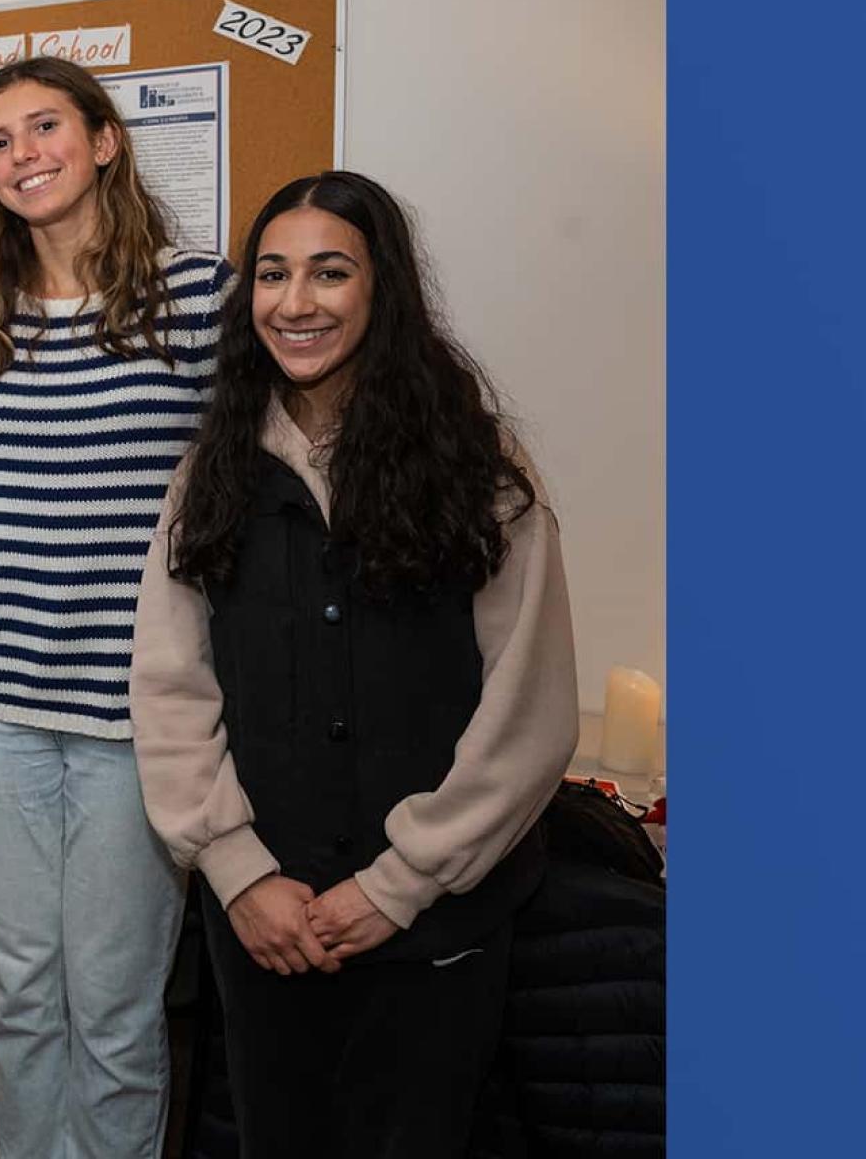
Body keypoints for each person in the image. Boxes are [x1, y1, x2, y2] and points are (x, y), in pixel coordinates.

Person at [130, 171, 579, 1157]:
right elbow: (169, 694)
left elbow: (528, 717)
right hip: (264, 920)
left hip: (434, 926)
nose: (295, 302)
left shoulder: (480, 473)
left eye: (329, 272)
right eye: (273, 275)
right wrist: (237, 873)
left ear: (381, 291)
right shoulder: (207, 476)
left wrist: (394, 885)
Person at [0, 55, 231, 1155]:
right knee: (16, 995)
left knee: (110, 1008)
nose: (21, 155)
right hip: (1, 702)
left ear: (102, 141)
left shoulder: (198, 295)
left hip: (134, 716)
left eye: (43, 127)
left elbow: (238, 504)